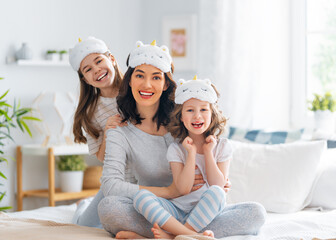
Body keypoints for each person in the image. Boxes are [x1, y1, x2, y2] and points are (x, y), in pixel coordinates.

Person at [98, 40, 266, 239]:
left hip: (203, 209)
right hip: (160, 208)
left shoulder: (184, 120)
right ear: (130, 81)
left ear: (166, 83)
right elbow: (110, 186)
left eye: (156, 77)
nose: (147, 85)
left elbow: (213, 164)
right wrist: (170, 191)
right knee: (109, 208)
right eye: (139, 76)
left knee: (255, 213)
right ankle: (189, 235)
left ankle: (167, 235)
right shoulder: (120, 130)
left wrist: (219, 180)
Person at [133, 76, 231, 239]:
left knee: (218, 194)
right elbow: (183, 189)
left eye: (203, 110)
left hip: (206, 211)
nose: (197, 116)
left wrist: (208, 152)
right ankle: (190, 235)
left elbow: (218, 185)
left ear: (212, 114)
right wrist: (191, 153)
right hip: (176, 210)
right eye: (190, 110)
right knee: (140, 197)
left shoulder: (222, 146)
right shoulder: (177, 149)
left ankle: (173, 236)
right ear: (181, 116)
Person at [69, 36, 133, 228]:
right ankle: (83, 205)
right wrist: (108, 130)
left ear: (111, 59)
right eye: (88, 69)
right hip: (117, 181)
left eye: (99, 61)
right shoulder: (92, 111)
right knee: (85, 225)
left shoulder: (136, 91)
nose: (96, 69)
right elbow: (101, 156)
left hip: (144, 179)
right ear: (85, 79)